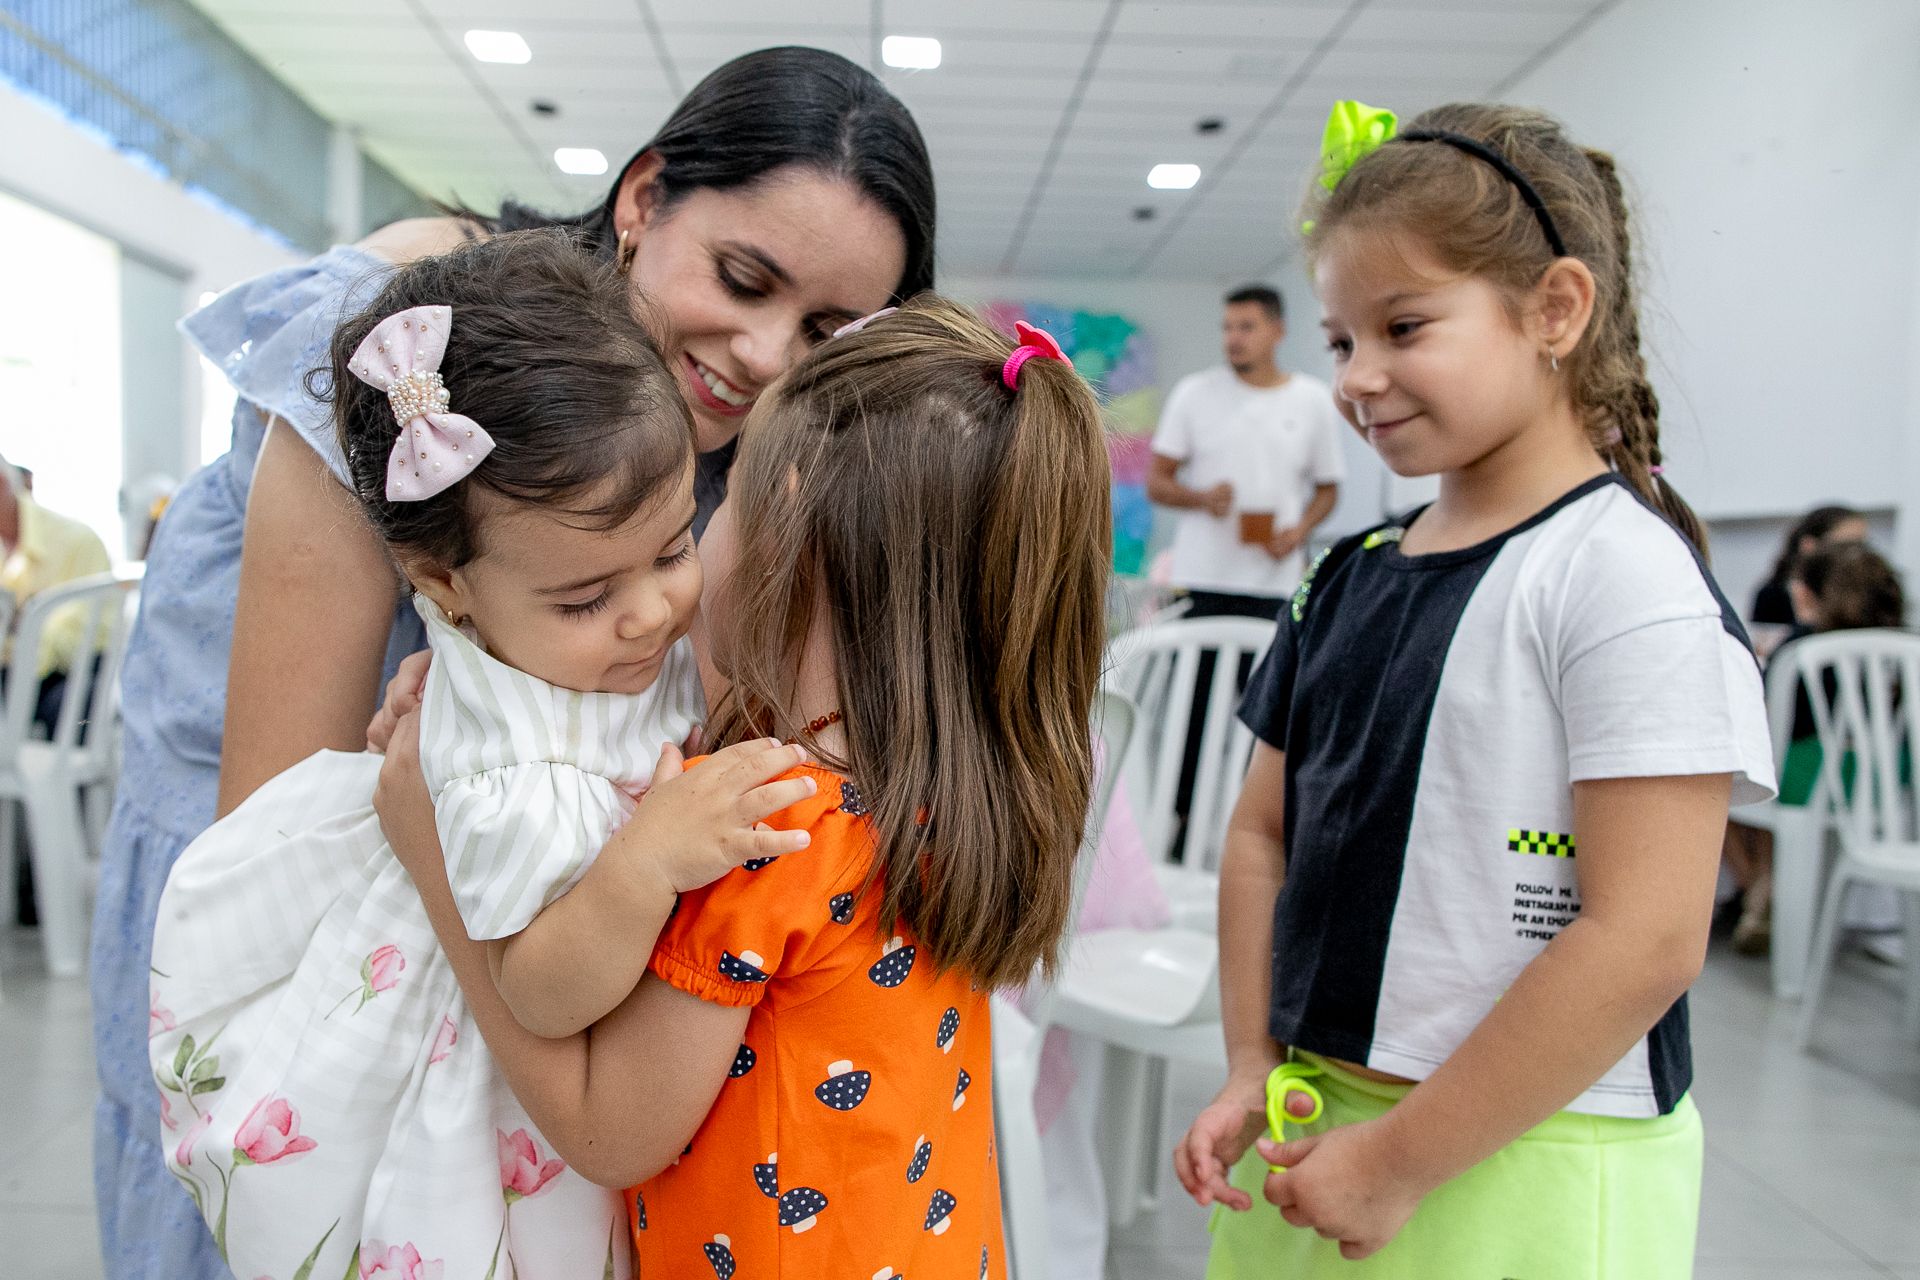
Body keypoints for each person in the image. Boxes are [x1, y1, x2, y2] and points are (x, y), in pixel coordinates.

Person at [89, 46, 935, 1280]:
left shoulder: (709, 437)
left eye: (823, 330)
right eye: (743, 279)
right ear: (643, 200)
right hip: (312, 911)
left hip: (501, 951)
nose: (763, 356)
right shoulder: (403, 373)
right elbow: (273, 833)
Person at [369, 299, 1112, 1278]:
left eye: (705, 518)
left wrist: (429, 844)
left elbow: (606, 1130)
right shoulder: (947, 783)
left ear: (782, 544)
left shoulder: (769, 832)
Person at [1174, 101, 1774, 1279]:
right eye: (1342, 341)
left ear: (1554, 309)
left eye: (1404, 325)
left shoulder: (1621, 574)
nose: (1360, 377)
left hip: (1526, 1164)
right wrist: (1251, 1060)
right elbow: (1258, 835)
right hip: (1310, 1125)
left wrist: (1401, 1157)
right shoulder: (1346, 575)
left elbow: (1649, 933)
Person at [148, 232, 813, 1280]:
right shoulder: (513, 778)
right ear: (443, 586)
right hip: (502, 1091)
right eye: (586, 597)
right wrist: (643, 861)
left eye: (675, 548)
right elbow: (544, 993)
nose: (650, 614)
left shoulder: (564, 644)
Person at [1723, 541, 1907, 954]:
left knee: (1724, 780)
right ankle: (1763, 892)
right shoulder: (1902, 648)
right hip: (1882, 782)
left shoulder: (1804, 650)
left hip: (1810, 780)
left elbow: (1779, 727)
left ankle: (1756, 890)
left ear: (1804, 593)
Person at [1147, 284, 1346, 620]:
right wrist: (1202, 498)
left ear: (1278, 331)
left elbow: (1328, 489)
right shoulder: (1194, 393)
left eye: (1246, 327)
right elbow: (1156, 483)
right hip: (1200, 579)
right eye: (1228, 327)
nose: (1233, 339)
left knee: (1268, 674)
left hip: (1276, 583)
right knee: (1195, 675)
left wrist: (1299, 531)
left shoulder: (1313, 399)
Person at [0, 455, 112, 925]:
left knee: (58, 723)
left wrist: (22, 641)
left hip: (66, 690)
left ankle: (36, 886)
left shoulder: (74, 540)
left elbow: (89, 628)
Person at [1750, 504, 1867, 629]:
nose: (1858, 554)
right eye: (1846, 546)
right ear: (1809, 546)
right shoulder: (1772, 595)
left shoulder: (1865, 593)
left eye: (1862, 546)